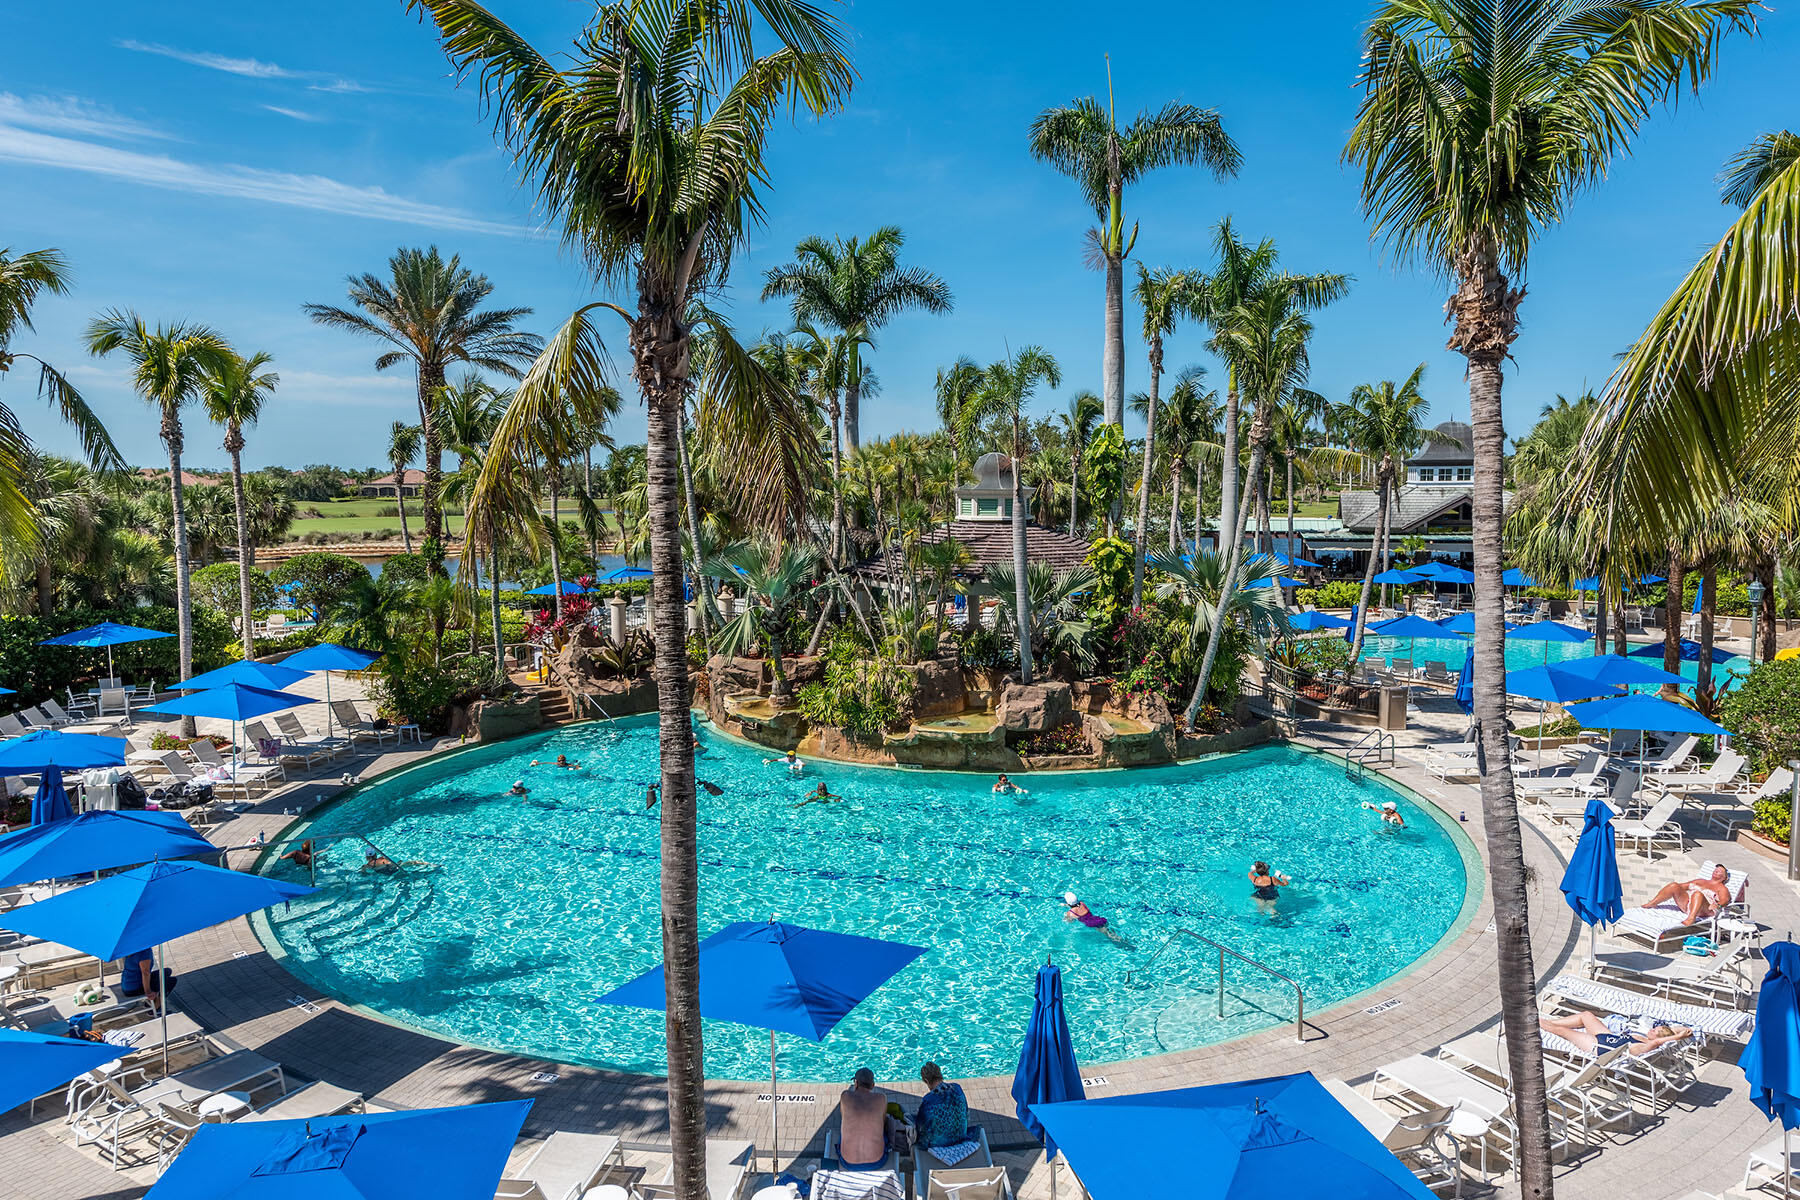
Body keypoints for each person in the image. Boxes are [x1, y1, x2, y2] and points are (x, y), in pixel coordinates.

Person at [1539, 1011, 1693, 1057]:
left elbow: (1657, 1042)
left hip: (1598, 1046)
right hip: (1606, 1036)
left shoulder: (1644, 1046)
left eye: (1656, 1032)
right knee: (1586, 1015)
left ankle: (1533, 1020)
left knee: (1561, 1031)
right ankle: (1548, 1022)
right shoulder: (1643, 1037)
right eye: (1656, 1028)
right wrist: (1680, 1032)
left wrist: (1678, 1038)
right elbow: (1672, 1030)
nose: (1653, 1029)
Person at [837, 1067, 891, 1170]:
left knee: (844, 1131)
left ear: (856, 1083)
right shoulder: (881, 1098)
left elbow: (843, 1116)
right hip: (877, 1161)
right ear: (872, 1085)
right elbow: (883, 1122)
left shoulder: (845, 1096)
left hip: (848, 1162)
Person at [1641, 864, 1731, 923]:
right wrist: (1675, 890)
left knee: (1697, 894)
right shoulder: (1700, 881)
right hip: (1688, 905)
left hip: (1705, 910)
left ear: (1724, 877)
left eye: (1719, 871)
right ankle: (1653, 903)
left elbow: (1725, 900)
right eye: (1715, 869)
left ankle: (1691, 918)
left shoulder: (1722, 888)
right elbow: (1681, 886)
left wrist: (1718, 905)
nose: (1716, 871)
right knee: (1674, 885)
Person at [914, 1062, 969, 1151]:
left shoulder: (929, 1100)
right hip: (961, 1136)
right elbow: (966, 1113)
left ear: (926, 1081)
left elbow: (922, 1127)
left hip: (940, 1145)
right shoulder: (957, 1088)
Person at [118, 947, 175, 1015]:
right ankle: (155, 1008)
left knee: (167, 971)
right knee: (170, 982)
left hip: (128, 984)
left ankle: (151, 1003)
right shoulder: (144, 952)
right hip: (134, 988)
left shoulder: (132, 949)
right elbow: (146, 973)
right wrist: (148, 991)